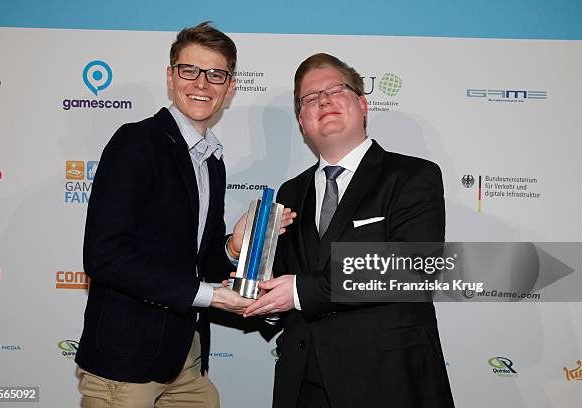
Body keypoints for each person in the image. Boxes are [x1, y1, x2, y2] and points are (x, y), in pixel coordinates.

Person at [75, 22, 293, 408]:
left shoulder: (212, 163)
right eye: (189, 70)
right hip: (125, 362)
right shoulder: (137, 142)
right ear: (171, 77)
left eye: (216, 74)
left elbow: (199, 259)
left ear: (230, 87)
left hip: (185, 357)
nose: (202, 83)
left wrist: (232, 245)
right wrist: (211, 297)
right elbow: (104, 257)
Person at [244, 53, 455, 408]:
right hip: (303, 383)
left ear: (362, 104)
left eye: (335, 90)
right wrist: (261, 296)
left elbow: (412, 267)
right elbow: (280, 278)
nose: (323, 100)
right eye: (309, 98)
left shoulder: (412, 176)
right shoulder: (289, 192)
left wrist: (299, 292)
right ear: (302, 120)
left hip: (387, 381)